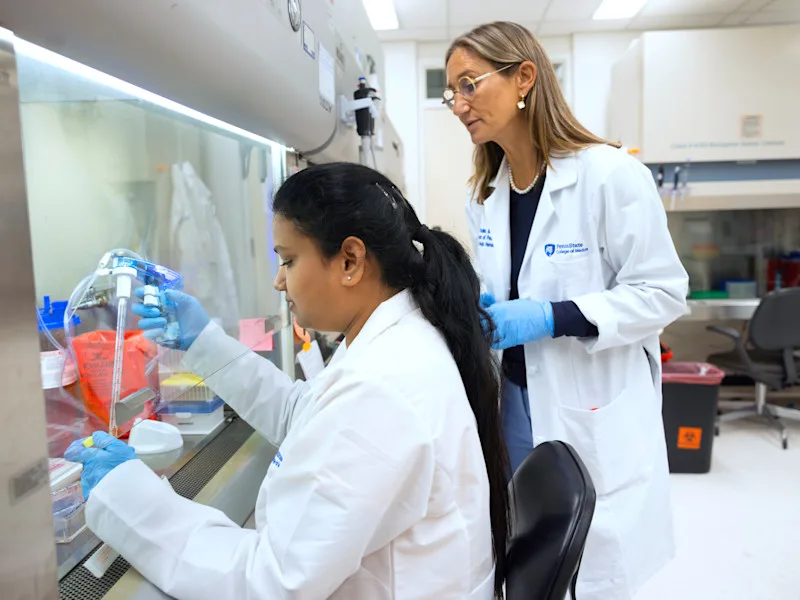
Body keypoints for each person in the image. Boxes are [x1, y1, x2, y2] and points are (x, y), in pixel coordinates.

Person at [65, 163, 510, 599]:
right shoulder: (398, 338)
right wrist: (203, 342)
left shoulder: (380, 388)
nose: (279, 281)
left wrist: (125, 495)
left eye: (289, 260)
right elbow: (308, 413)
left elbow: (273, 583)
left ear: (350, 261)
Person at [444, 21, 688, 600]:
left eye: (469, 84)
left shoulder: (610, 176)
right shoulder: (487, 193)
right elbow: (503, 284)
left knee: (590, 563)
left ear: (524, 77)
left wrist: (553, 317)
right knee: (532, 555)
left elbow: (662, 291)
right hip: (514, 401)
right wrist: (481, 302)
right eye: (451, 92)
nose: (459, 104)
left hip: (589, 402)